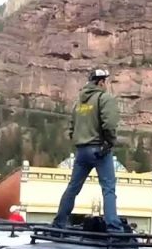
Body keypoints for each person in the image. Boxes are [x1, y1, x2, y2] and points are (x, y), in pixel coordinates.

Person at [53, 68, 123, 233]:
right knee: (108, 189)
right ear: (100, 82)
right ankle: (114, 228)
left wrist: (79, 141)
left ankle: (59, 223)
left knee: (73, 188)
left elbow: (71, 127)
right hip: (100, 149)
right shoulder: (104, 98)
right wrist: (110, 142)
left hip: (82, 151)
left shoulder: (79, 102)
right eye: (105, 81)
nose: (106, 85)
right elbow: (110, 124)